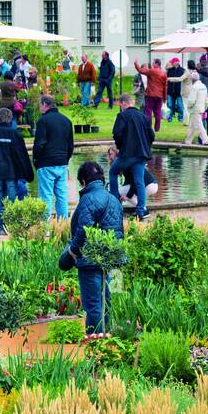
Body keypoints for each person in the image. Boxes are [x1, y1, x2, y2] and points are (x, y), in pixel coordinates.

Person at [66, 161, 123, 334]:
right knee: (110, 300)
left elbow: (83, 231)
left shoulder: (87, 199)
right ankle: (109, 338)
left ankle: (94, 342)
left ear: (83, 181)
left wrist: (72, 252)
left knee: (93, 305)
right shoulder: (113, 198)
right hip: (113, 258)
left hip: (90, 260)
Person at [0, 107, 34, 234]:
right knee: (12, 201)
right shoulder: (15, 135)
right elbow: (22, 155)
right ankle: (11, 227)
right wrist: (27, 174)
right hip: (11, 173)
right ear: (10, 119)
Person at [110, 92, 153, 219]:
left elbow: (117, 134)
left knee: (113, 172)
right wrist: (145, 147)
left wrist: (120, 146)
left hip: (127, 154)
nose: (120, 106)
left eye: (120, 104)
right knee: (139, 181)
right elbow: (151, 135)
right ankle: (141, 210)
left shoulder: (122, 116)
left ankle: (115, 205)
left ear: (123, 103)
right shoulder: (143, 116)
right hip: (141, 155)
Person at [32, 93, 74, 219]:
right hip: (61, 163)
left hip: (46, 163)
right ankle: (64, 225)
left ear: (45, 105)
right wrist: (65, 160)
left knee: (45, 197)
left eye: (40, 105)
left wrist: (36, 160)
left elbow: (39, 144)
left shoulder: (43, 121)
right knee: (61, 196)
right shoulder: (67, 121)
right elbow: (70, 145)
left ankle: (44, 229)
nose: (40, 108)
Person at [134, 58, 167, 133]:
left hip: (151, 95)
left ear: (156, 64)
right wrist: (164, 97)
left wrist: (136, 64)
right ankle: (157, 128)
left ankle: (148, 127)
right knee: (158, 112)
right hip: (160, 96)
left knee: (148, 111)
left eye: (153, 63)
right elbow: (165, 86)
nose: (152, 64)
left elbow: (140, 70)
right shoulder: (164, 73)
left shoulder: (152, 71)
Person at [183, 71, 208, 146]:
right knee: (192, 126)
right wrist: (204, 108)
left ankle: (206, 141)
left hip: (195, 109)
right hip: (201, 108)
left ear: (192, 80)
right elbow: (206, 100)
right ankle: (188, 141)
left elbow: (191, 100)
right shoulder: (203, 86)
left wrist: (188, 107)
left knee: (199, 126)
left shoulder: (194, 87)